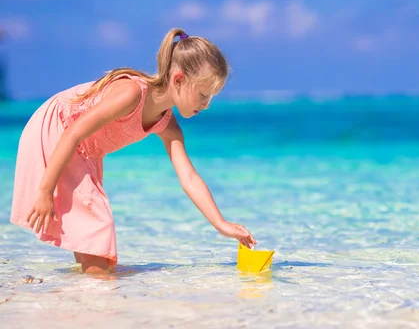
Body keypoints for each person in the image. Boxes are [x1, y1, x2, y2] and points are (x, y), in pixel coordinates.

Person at [10, 28, 257, 274]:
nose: (206, 105)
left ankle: (84, 292)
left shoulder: (168, 126)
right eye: (203, 95)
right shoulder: (131, 93)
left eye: (211, 97)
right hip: (58, 130)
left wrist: (221, 224)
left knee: (90, 240)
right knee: (98, 225)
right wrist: (45, 190)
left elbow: (189, 178)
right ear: (178, 80)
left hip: (85, 149)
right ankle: (97, 295)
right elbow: (73, 132)